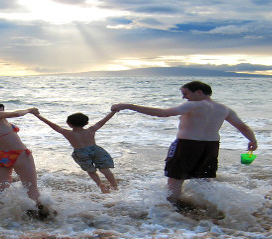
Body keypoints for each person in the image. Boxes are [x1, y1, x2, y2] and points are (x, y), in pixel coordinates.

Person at [111, 81, 258, 209]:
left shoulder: (192, 105)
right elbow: (242, 127)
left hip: (187, 145)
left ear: (199, 92)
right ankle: (209, 206)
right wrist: (253, 141)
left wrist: (128, 106)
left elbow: (162, 113)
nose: (184, 97)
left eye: (185, 93)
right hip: (211, 146)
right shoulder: (224, 109)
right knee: (204, 180)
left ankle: (170, 209)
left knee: (175, 180)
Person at [30, 109, 119, 193]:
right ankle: (114, 186)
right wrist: (113, 111)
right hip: (95, 150)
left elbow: (51, 124)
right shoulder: (91, 130)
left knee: (91, 171)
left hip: (80, 153)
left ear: (68, 123)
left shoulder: (67, 133)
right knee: (105, 169)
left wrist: (37, 115)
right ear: (87, 123)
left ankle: (100, 184)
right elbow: (104, 121)